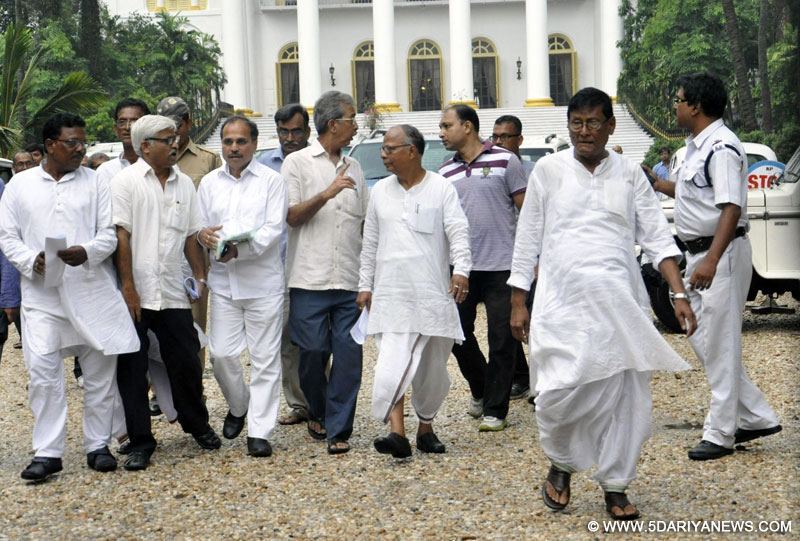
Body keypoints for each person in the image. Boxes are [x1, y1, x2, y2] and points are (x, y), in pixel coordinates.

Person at [508, 87, 696, 520]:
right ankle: (562, 462)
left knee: (627, 398)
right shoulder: (548, 171)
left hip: (619, 304)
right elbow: (528, 237)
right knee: (559, 391)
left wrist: (678, 293)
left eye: (593, 123)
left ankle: (616, 484)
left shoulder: (630, 173)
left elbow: (656, 236)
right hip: (562, 302)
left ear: (610, 126)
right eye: (576, 123)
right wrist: (519, 300)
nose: (584, 132)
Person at [0, 113, 140, 480]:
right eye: (72, 143)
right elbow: (7, 238)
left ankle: (98, 445)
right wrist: (33, 260)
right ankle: (48, 452)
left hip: (91, 290)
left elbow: (109, 236)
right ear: (49, 146)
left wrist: (88, 252)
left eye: (83, 142)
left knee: (99, 375)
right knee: (43, 373)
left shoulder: (96, 182)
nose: (81, 149)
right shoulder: (20, 184)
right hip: (42, 295)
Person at [651, 72, 782, 460]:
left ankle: (722, 431)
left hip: (719, 255)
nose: (674, 106)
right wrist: (657, 184)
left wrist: (712, 258)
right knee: (699, 335)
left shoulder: (722, 147)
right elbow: (695, 193)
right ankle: (756, 415)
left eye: (678, 99)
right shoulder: (696, 147)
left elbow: (731, 207)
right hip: (696, 254)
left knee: (721, 345)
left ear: (695, 106)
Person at [110, 114, 221, 471]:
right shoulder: (125, 183)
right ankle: (141, 441)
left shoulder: (185, 184)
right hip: (137, 291)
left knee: (187, 360)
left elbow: (191, 235)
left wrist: (200, 276)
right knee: (133, 368)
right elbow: (121, 236)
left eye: (175, 137)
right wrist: (128, 288)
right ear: (145, 146)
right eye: (166, 139)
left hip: (173, 288)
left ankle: (197, 424)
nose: (175, 144)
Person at [357, 125, 471, 458]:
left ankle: (425, 427)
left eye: (389, 149)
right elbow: (370, 244)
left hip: (432, 293)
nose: (383, 155)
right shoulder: (380, 192)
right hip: (391, 293)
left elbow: (459, 233)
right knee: (392, 361)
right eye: (382, 149)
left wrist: (461, 271)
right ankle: (397, 433)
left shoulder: (442, 188)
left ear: (412, 151)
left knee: (431, 368)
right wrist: (365, 285)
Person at [196, 115, 287, 457]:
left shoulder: (271, 181)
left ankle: (260, 432)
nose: (234, 148)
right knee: (220, 355)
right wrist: (204, 237)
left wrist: (240, 249)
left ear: (254, 144)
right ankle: (239, 405)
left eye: (240, 142)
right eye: (228, 142)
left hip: (262, 282)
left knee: (264, 360)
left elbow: (272, 231)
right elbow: (201, 227)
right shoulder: (208, 183)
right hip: (223, 283)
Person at [282, 91, 367, 455]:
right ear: (333, 124)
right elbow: (292, 216)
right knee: (313, 351)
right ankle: (316, 408)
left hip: (350, 279)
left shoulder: (357, 167)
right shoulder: (297, 164)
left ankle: (338, 428)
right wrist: (328, 193)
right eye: (351, 118)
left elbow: (365, 224)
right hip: (309, 278)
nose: (356, 125)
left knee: (349, 356)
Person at [438, 104, 527, 432]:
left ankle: (495, 408)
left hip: (503, 266)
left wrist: (530, 261)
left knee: (502, 338)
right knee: (455, 334)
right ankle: (480, 386)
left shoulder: (506, 161)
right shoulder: (445, 172)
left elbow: (527, 212)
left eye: (447, 126)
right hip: (462, 267)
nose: (441, 132)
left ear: (468, 127)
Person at [157, 96, 222, 370]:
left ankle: (195, 390)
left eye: (176, 125)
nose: (172, 133)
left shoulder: (207, 160)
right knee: (157, 325)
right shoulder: (152, 158)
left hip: (193, 255)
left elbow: (219, 205)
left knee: (194, 327)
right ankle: (160, 392)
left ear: (188, 124)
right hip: (158, 254)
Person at [257, 103, 312, 427]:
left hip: (312, 264)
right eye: (283, 131)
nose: (290, 137)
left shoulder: (320, 163)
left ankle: (322, 396)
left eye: (296, 131)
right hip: (277, 267)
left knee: (318, 341)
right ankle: (300, 403)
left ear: (308, 131)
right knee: (287, 342)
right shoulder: (265, 165)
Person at [490, 114, 535, 402]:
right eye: (494, 137)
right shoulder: (491, 170)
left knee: (536, 318)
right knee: (509, 320)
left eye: (504, 137)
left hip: (534, 256)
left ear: (519, 139)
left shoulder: (534, 171)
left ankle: (542, 379)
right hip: (506, 257)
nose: (498, 142)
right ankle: (521, 376)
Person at [96, 98, 152, 185]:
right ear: (116, 129)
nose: (127, 127)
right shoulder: (105, 171)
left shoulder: (161, 168)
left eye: (134, 121)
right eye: (122, 122)